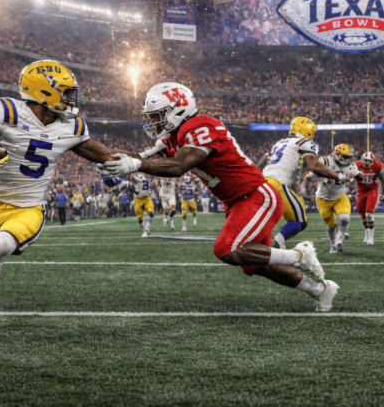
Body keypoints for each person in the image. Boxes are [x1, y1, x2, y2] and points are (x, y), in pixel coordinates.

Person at [0, 59, 123, 328]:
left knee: (1, 247)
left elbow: (105, 155)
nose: (72, 99)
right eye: (67, 91)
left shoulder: (72, 126)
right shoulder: (7, 111)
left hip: (29, 207)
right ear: (44, 91)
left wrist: (141, 161)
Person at [99, 82, 337, 311]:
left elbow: (178, 166)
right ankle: (319, 290)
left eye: (157, 114)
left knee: (226, 248)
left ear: (177, 110)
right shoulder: (176, 136)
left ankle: (299, 254)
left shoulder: (201, 124)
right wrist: (100, 154)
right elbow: (141, 156)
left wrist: (134, 165)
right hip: (237, 201)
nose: (152, 121)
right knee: (254, 264)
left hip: (255, 195)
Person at [263, 117, 347, 249]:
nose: (313, 134)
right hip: (277, 183)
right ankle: (278, 242)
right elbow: (314, 167)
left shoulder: (279, 143)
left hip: (262, 182)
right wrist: (337, 176)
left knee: (264, 221)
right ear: (306, 130)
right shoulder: (306, 143)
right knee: (299, 221)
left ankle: (261, 243)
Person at [309, 144, 363, 254]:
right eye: (345, 156)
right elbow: (311, 175)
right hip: (323, 198)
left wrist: (359, 174)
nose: (348, 159)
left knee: (344, 218)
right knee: (331, 225)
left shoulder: (351, 165)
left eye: (349, 156)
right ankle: (333, 246)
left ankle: (340, 240)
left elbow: (359, 175)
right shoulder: (325, 161)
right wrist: (323, 174)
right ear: (338, 155)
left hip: (340, 196)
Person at [355, 151, 384, 245]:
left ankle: (371, 236)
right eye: (366, 160)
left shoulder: (377, 166)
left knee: (369, 212)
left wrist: (382, 193)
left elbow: (383, 181)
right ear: (362, 160)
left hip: (372, 190)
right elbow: (350, 177)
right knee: (363, 214)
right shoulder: (356, 166)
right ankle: (366, 233)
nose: (367, 162)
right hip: (361, 191)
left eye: (369, 160)